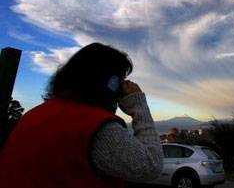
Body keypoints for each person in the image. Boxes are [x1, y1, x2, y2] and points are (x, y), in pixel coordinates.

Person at [0, 43, 163, 188]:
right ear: (109, 82)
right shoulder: (97, 127)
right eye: (120, 79)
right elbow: (151, 166)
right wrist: (138, 105)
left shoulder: (34, 115)